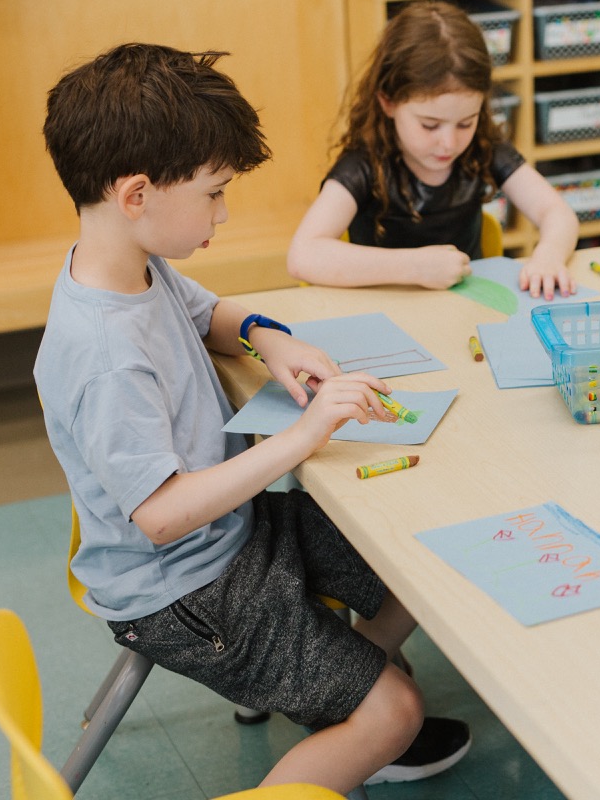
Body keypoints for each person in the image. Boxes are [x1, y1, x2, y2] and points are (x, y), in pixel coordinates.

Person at [33, 43, 471, 793]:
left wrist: (270, 338)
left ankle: (332, 684)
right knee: (396, 711)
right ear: (137, 194)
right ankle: (352, 720)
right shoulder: (105, 356)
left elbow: (209, 315)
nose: (224, 212)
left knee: (419, 558)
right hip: (181, 590)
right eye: (213, 194)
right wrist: (302, 436)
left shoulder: (130, 262)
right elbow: (163, 516)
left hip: (230, 535)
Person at [289, 0, 580, 299]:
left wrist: (549, 255)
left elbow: (556, 212)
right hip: (385, 309)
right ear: (388, 102)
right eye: (430, 125)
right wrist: (413, 267)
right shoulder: (364, 163)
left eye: (466, 123)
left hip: (465, 309)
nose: (449, 143)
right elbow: (303, 255)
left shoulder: (482, 147)